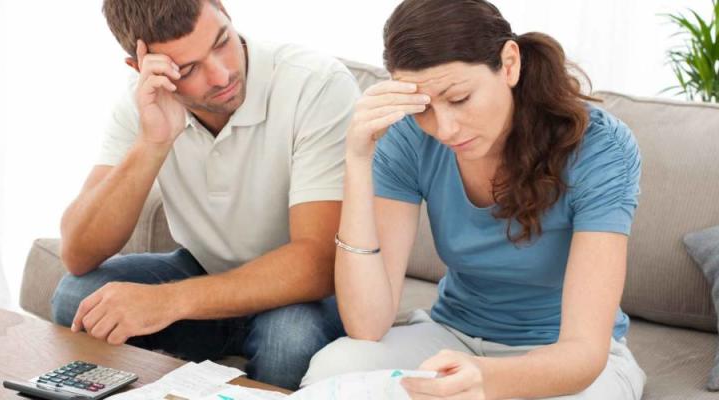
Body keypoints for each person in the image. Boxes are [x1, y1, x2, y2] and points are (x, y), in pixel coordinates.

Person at [301, 0, 646, 398]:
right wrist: (358, 160)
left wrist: (485, 378)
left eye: (460, 98)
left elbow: (584, 353)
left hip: (564, 359)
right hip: (454, 336)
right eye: (424, 108)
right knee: (333, 367)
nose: (444, 129)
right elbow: (366, 324)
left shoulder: (600, 148)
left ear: (510, 64)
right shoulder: (410, 137)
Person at [50, 0, 359, 389]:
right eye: (190, 69)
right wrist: (153, 142)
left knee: (289, 340)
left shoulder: (315, 83)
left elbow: (318, 262)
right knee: (77, 296)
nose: (221, 73)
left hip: (303, 296)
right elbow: (78, 252)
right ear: (142, 67)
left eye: (221, 41)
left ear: (225, 10)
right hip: (204, 272)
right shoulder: (144, 101)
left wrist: (167, 302)